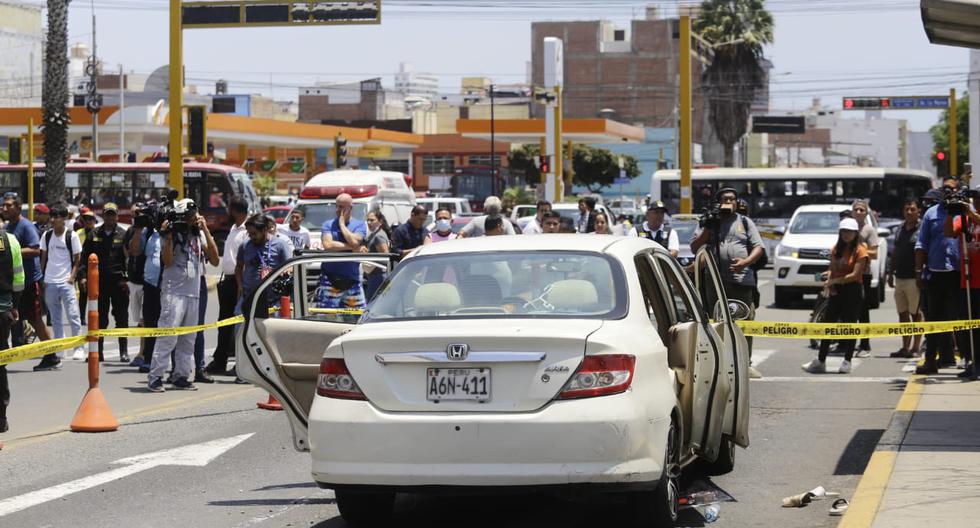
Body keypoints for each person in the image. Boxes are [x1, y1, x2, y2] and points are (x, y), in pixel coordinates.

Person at [691, 187, 766, 378]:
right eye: (724, 199)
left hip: (741, 281)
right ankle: (718, 362)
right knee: (716, 321)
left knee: (744, 321)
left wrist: (746, 262)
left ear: (736, 202)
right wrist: (709, 227)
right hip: (714, 281)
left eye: (732, 199)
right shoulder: (708, 222)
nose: (728, 203)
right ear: (718, 202)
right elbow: (695, 248)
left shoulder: (745, 222)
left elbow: (759, 247)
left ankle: (745, 363)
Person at [146, 199, 219, 392]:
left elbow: (214, 258)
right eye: (187, 215)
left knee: (188, 338)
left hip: (193, 292)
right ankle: (155, 376)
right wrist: (169, 236)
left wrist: (205, 229)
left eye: (193, 214)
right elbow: (167, 261)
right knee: (168, 335)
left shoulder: (198, 233)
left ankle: (181, 375)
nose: (190, 218)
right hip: (174, 291)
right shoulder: (171, 231)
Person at [802, 218, 869, 374]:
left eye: (850, 232)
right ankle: (821, 360)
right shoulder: (835, 249)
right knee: (828, 324)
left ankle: (847, 361)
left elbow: (855, 275)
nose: (846, 235)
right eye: (844, 231)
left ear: (855, 233)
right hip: (837, 291)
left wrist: (834, 280)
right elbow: (832, 268)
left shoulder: (861, 251)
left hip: (853, 290)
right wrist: (831, 284)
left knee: (850, 325)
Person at [915, 188, 967, 374]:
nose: (950, 194)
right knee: (934, 319)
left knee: (962, 318)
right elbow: (921, 244)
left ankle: (969, 360)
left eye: (953, 191)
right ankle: (930, 360)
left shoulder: (965, 211)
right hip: (936, 274)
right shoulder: (931, 213)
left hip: (959, 274)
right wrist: (918, 271)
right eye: (946, 191)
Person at [2, 193, 53, 369]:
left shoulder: (25, 226)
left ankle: (52, 354)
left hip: (31, 282)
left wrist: (13, 251)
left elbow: (35, 249)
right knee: (9, 318)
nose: (5, 208)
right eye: (4, 205)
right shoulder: (9, 227)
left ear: (18, 207)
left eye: (9, 205)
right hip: (15, 284)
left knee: (35, 320)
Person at [79, 202, 129, 363]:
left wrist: (128, 279)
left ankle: (123, 351)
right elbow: (84, 258)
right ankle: (97, 352)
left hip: (118, 282)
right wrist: (83, 276)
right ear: (103, 215)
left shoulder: (123, 234)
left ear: (117, 216)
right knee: (99, 319)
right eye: (107, 214)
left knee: (122, 318)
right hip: (99, 283)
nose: (110, 217)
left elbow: (129, 257)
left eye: (112, 214)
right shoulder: (94, 234)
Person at [205, 199, 250, 377]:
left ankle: (239, 362)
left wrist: (241, 285)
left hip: (240, 281)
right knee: (223, 323)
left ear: (234, 210)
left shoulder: (248, 230)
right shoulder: (234, 227)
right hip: (228, 281)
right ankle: (220, 360)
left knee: (239, 325)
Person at [39, 205, 84, 362]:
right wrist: (42, 278)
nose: (52, 219)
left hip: (66, 282)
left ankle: (78, 348)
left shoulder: (71, 236)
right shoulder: (46, 235)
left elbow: (77, 258)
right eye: (51, 216)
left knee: (73, 315)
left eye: (56, 216)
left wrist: (72, 277)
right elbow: (43, 258)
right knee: (55, 319)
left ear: (63, 218)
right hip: (50, 281)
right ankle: (60, 347)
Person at [944, 188, 980, 378]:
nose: (977, 201)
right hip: (967, 281)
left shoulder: (971, 216)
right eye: (975, 199)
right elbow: (949, 231)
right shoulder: (964, 220)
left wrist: (970, 212)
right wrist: (951, 213)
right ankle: (971, 360)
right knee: (968, 324)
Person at [887, 199, 924, 359]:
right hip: (900, 278)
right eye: (907, 209)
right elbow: (895, 252)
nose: (909, 212)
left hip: (913, 278)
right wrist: (890, 272)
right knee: (902, 314)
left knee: (915, 314)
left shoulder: (922, 228)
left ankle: (916, 347)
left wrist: (919, 274)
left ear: (918, 212)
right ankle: (905, 347)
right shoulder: (899, 229)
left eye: (913, 209)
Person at [237, 214, 291, 320]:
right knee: (240, 331)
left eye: (254, 233)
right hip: (249, 298)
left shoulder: (280, 245)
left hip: (273, 301)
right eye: (249, 234)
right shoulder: (244, 245)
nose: (252, 237)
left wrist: (281, 273)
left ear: (264, 229)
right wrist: (239, 286)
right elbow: (238, 267)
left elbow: (290, 266)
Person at [319, 193, 367, 310]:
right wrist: (352, 248)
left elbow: (355, 241)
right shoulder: (328, 225)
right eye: (337, 206)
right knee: (326, 316)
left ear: (350, 208)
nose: (338, 210)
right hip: (330, 279)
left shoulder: (360, 225)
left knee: (358, 316)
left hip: (352, 279)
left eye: (342, 207)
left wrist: (342, 225)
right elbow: (328, 245)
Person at [0, 226, 24, 433]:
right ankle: (1, 418)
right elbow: (19, 280)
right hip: (3, 311)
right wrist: (14, 306)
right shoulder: (10, 241)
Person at [852, 200, 879, 356]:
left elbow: (874, 254)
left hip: (864, 274)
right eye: (856, 209)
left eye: (862, 210)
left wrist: (858, 252)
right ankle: (845, 343)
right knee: (847, 310)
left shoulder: (869, 231)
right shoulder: (846, 228)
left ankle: (865, 345)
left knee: (863, 311)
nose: (859, 212)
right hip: (847, 274)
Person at [123, 203, 146, 366]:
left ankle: (142, 352)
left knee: (145, 319)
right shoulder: (131, 231)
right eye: (133, 215)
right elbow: (129, 252)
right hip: (133, 280)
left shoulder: (151, 231)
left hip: (146, 282)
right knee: (138, 319)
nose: (135, 217)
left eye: (138, 214)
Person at [362, 210, 391, 301]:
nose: (369, 223)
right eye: (368, 220)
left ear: (380, 221)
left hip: (378, 276)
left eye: (372, 220)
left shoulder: (379, 236)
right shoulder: (373, 235)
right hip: (373, 276)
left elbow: (385, 256)